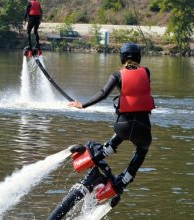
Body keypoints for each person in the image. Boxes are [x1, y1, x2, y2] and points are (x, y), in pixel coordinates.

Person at [48, 42, 155, 219]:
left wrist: (82, 105)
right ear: (139, 58)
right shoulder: (147, 72)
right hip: (143, 129)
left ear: (122, 58)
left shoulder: (117, 75)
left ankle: (98, 156)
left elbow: (103, 93)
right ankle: (124, 180)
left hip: (122, 126)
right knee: (141, 152)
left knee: (117, 139)